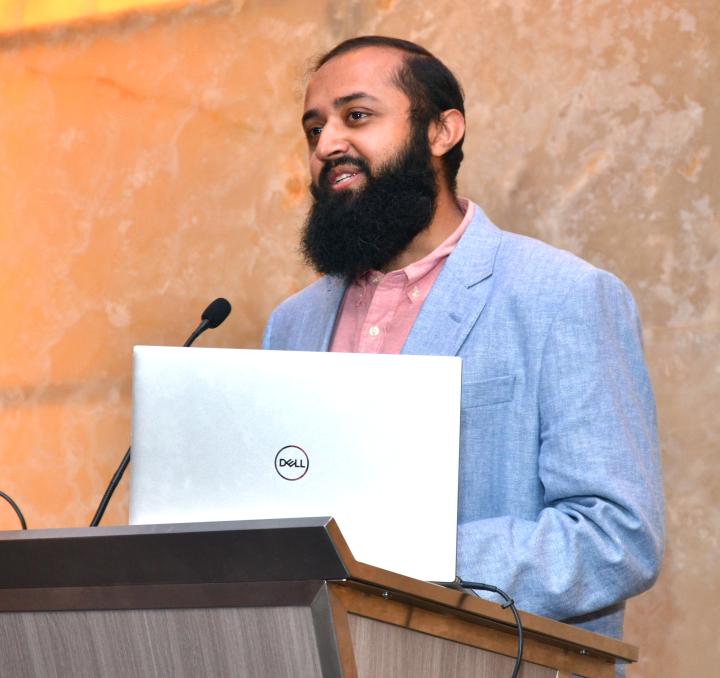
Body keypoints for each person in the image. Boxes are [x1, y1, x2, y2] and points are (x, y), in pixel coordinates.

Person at [262, 36, 665, 641]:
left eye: (357, 116)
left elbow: (615, 537)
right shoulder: (291, 323)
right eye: (313, 128)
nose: (328, 145)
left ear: (442, 131)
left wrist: (399, 556)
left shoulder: (563, 296)